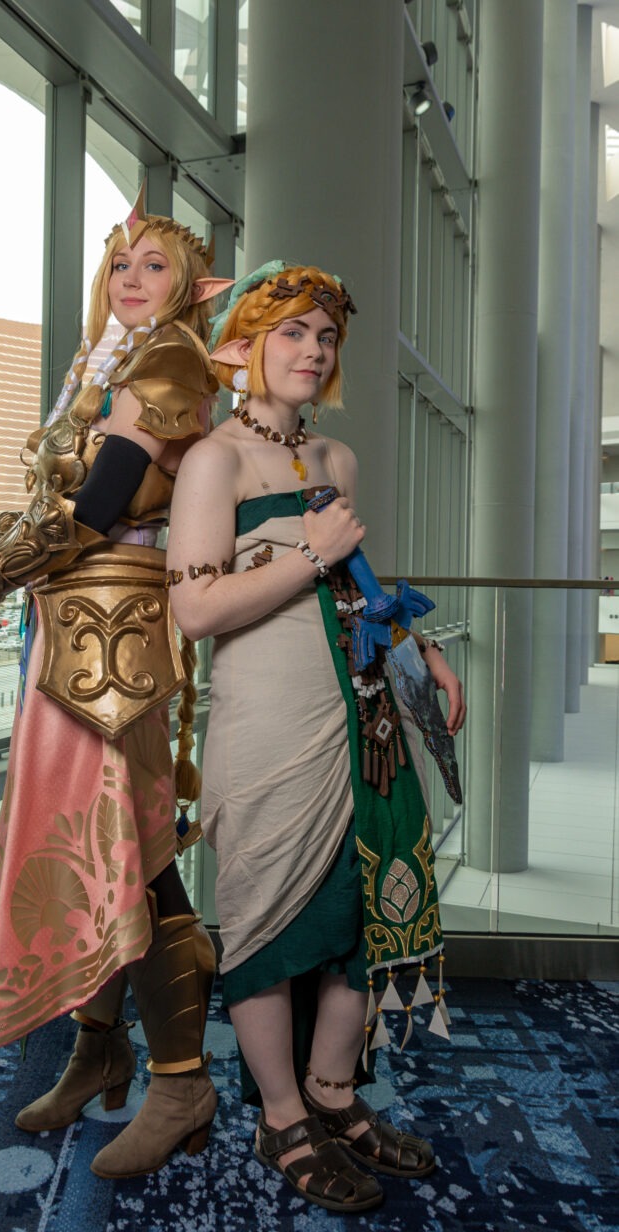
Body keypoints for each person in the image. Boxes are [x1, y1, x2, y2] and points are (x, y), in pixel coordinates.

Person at [0, 189, 233, 1178]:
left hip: (116, 638)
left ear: (191, 286)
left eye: (153, 266)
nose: (132, 281)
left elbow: (101, 504)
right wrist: (3, 587)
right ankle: (101, 1046)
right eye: (119, 265)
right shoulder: (113, 363)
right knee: (100, 845)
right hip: (70, 631)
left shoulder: (173, 358)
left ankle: (182, 1075)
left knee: (133, 847)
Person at [166, 261, 467, 1215]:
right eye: (290, 331)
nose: (311, 349)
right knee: (265, 917)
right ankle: (282, 1115)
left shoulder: (334, 460)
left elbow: (359, 585)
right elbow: (194, 608)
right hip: (268, 721)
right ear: (246, 347)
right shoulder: (216, 460)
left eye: (324, 335)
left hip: (368, 708)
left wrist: (420, 648)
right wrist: (309, 554)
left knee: (365, 906)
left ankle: (336, 1093)